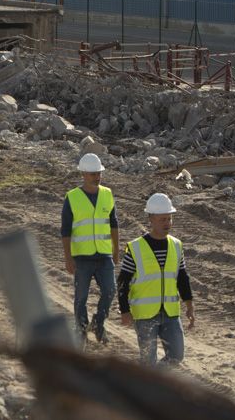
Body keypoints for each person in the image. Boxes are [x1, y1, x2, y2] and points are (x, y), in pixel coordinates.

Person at [118, 193, 195, 365]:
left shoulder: (176, 245)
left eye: (169, 219)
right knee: (148, 361)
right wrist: (124, 311)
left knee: (176, 356)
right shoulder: (135, 247)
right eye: (162, 220)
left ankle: (152, 381)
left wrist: (189, 305)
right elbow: (123, 282)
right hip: (145, 315)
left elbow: (182, 278)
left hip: (170, 312)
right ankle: (147, 388)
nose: (167, 223)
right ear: (151, 219)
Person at [61, 152, 119, 344]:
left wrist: (116, 250)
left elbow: (113, 224)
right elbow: (66, 231)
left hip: (103, 255)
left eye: (99, 173)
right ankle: (81, 329)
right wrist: (68, 258)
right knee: (81, 297)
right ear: (84, 174)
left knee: (110, 291)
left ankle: (98, 323)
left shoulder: (107, 194)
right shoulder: (72, 197)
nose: (97, 177)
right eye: (93, 173)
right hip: (82, 257)